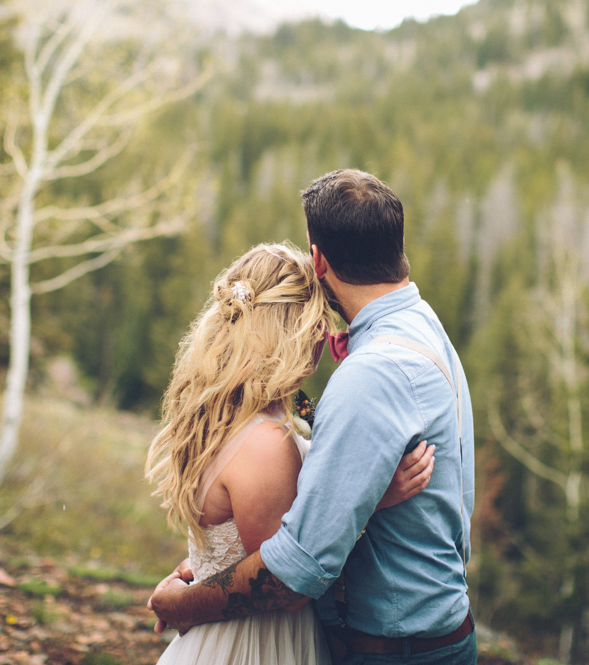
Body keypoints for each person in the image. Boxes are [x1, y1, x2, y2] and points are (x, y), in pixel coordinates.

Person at [150, 170, 477, 665]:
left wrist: (182, 604)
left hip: (395, 650)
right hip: (419, 633)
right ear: (399, 241)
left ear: (319, 258)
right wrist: (366, 500)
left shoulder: (371, 372)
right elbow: (287, 551)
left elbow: (293, 573)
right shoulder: (424, 327)